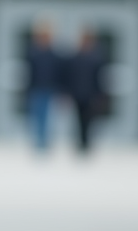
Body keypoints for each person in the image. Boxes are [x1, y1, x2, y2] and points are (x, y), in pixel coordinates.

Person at [65, 28, 109, 153]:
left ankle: (86, 142)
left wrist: (101, 94)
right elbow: (70, 76)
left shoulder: (97, 57)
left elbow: (100, 78)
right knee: (78, 120)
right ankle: (81, 143)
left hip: (91, 94)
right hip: (77, 94)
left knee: (89, 120)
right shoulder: (75, 57)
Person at [23, 21, 62, 151]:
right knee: (36, 115)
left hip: (49, 88)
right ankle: (38, 142)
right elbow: (29, 72)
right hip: (36, 88)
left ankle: (44, 142)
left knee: (47, 116)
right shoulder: (33, 52)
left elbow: (57, 73)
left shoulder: (53, 53)